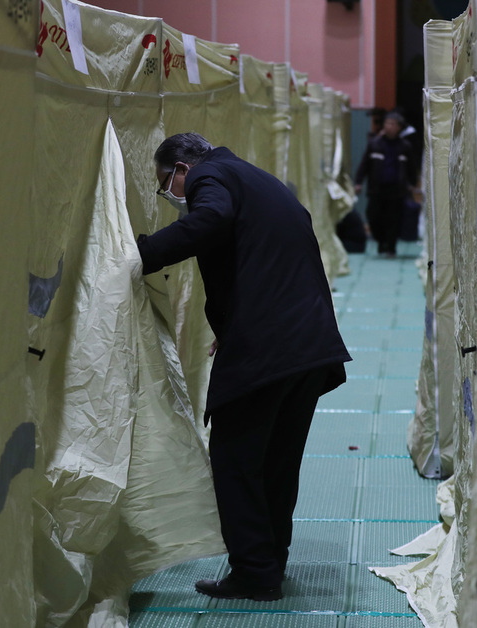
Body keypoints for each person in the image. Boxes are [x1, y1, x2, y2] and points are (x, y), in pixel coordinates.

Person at [136, 132, 352, 601]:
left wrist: (141, 254)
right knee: (277, 463)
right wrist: (238, 320)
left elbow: (212, 220)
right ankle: (271, 562)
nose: (171, 194)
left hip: (270, 350)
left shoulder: (210, 176)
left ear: (182, 168)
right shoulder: (257, 178)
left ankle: (254, 572)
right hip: (307, 346)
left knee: (235, 462)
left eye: (166, 183)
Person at [353, 111, 416, 256]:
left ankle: (390, 247)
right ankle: (381, 242)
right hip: (377, 188)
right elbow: (364, 165)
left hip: (397, 189)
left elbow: (411, 167)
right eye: (387, 123)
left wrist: (412, 183)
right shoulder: (374, 144)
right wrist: (358, 182)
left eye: (393, 124)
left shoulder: (405, 146)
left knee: (393, 218)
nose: (389, 127)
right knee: (373, 216)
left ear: (399, 127)